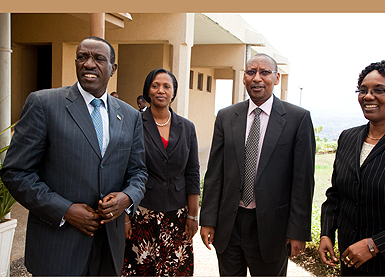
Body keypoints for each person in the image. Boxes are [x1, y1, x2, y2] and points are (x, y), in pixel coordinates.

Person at [0, 36, 148, 276]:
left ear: (113, 68)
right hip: (57, 248)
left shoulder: (130, 116)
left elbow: (138, 172)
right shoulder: (44, 104)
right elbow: (16, 172)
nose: (89, 64)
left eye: (99, 58)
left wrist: (127, 198)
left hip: (108, 246)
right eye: (82, 57)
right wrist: (65, 210)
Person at [200, 53, 315, 276]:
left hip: (272, 228)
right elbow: (215, 173)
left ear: (277, 78)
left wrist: (298, 231)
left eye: (265, 72)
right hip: (229, 225)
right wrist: (208, 220)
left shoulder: (297, 119)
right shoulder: (226, 116)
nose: (257, 78)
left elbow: (303, 181)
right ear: (244, 78)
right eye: (251, 72)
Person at [318, 60, 385, 276]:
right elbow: (336, 194)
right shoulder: (349, 137)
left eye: (379, 90)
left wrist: (376, 245)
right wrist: (326, 233)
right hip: (350, 264)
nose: (368, 96)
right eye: (363, 90)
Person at [122, 68, 200, 276]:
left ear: (173, 92)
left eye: (167, 86)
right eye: (155, 85)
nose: (161, 90)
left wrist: (193, 214)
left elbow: (192, 172)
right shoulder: (134, 123)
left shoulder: (187, 127)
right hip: (142, 213)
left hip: (177, 215)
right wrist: (125, 217)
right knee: (141, 270)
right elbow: (123, 171)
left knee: (174, 270)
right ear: (148, 90)